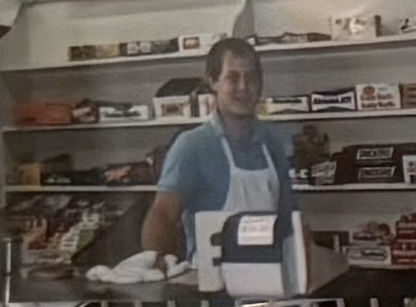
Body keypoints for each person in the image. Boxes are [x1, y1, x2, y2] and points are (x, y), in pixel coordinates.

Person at [109, 34, 289, 288]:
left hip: (270, 279)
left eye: (251, 77)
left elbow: (290, 217)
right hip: (213, 285)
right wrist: (160, 264)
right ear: (213, 82)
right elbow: (161, 215)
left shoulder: (272, 143)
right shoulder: (193, 145)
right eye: (232, 77)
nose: (243, 87)